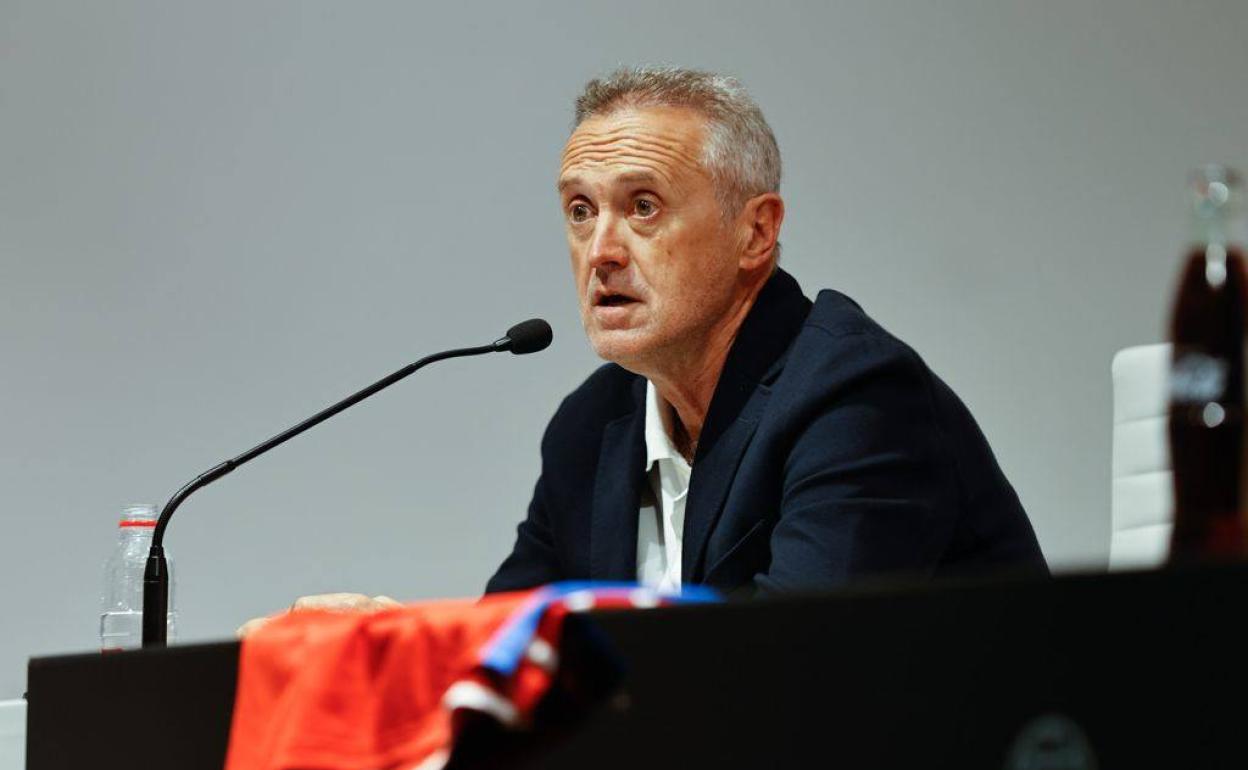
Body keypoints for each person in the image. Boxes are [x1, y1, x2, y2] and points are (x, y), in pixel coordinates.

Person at [241, 66, 1045, 632]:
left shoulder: (854, 400)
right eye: (580, 210)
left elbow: (792, 675)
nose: (601, 251)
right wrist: (392, 643)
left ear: (755, 232)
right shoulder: (593, 427)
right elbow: (509, 652)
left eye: (644, 207)